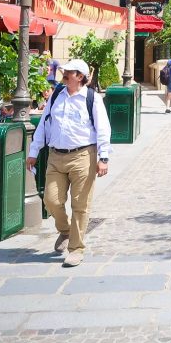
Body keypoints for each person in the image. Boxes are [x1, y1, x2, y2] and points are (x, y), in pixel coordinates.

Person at [27, 59, 112, 268]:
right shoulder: (57, 95)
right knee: (51, 200)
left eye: (69, 72)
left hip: (83, 156)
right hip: (56, 156)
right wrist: (33, 151)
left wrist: (103, 158)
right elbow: (44, 124)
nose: (64, 74)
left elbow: (103, 128)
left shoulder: (91, 98)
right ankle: (64, 230)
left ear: (80, 76)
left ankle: (76, 248)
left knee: (80, 205)